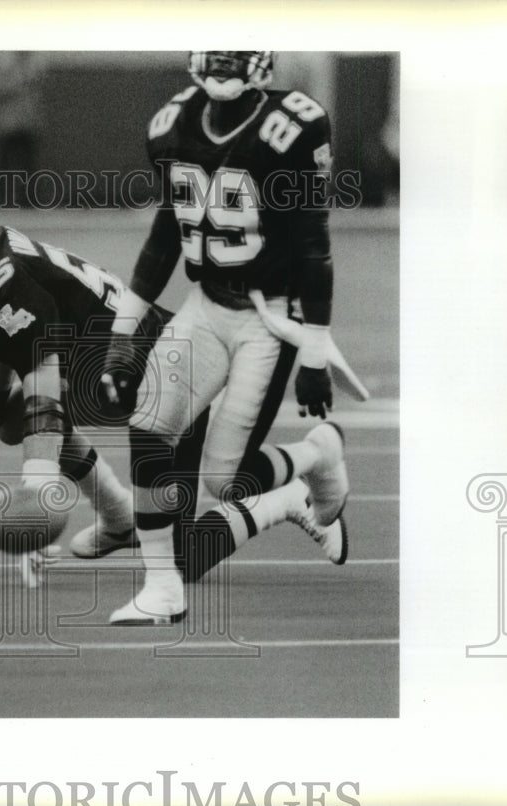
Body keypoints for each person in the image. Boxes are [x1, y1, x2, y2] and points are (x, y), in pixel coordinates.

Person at [0, 206, 345, 600]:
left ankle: (295, 491)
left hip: (175, 380)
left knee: (185, 557)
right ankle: (120, 518)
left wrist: (37, 494)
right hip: (117, 380)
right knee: (17, 418)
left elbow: (44, 401)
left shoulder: (9, 285)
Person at [101, 51, 352, 624]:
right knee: (148, 424)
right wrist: (122, 336)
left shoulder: (290, 127)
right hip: (207, 302)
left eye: (234, 51)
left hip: (270, 317)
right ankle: (163, 587)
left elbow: (314, 246)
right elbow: (167, 231)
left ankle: (317, 452)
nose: (222, 62)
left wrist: (315, 348)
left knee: (223, 481)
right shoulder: (173, 123)